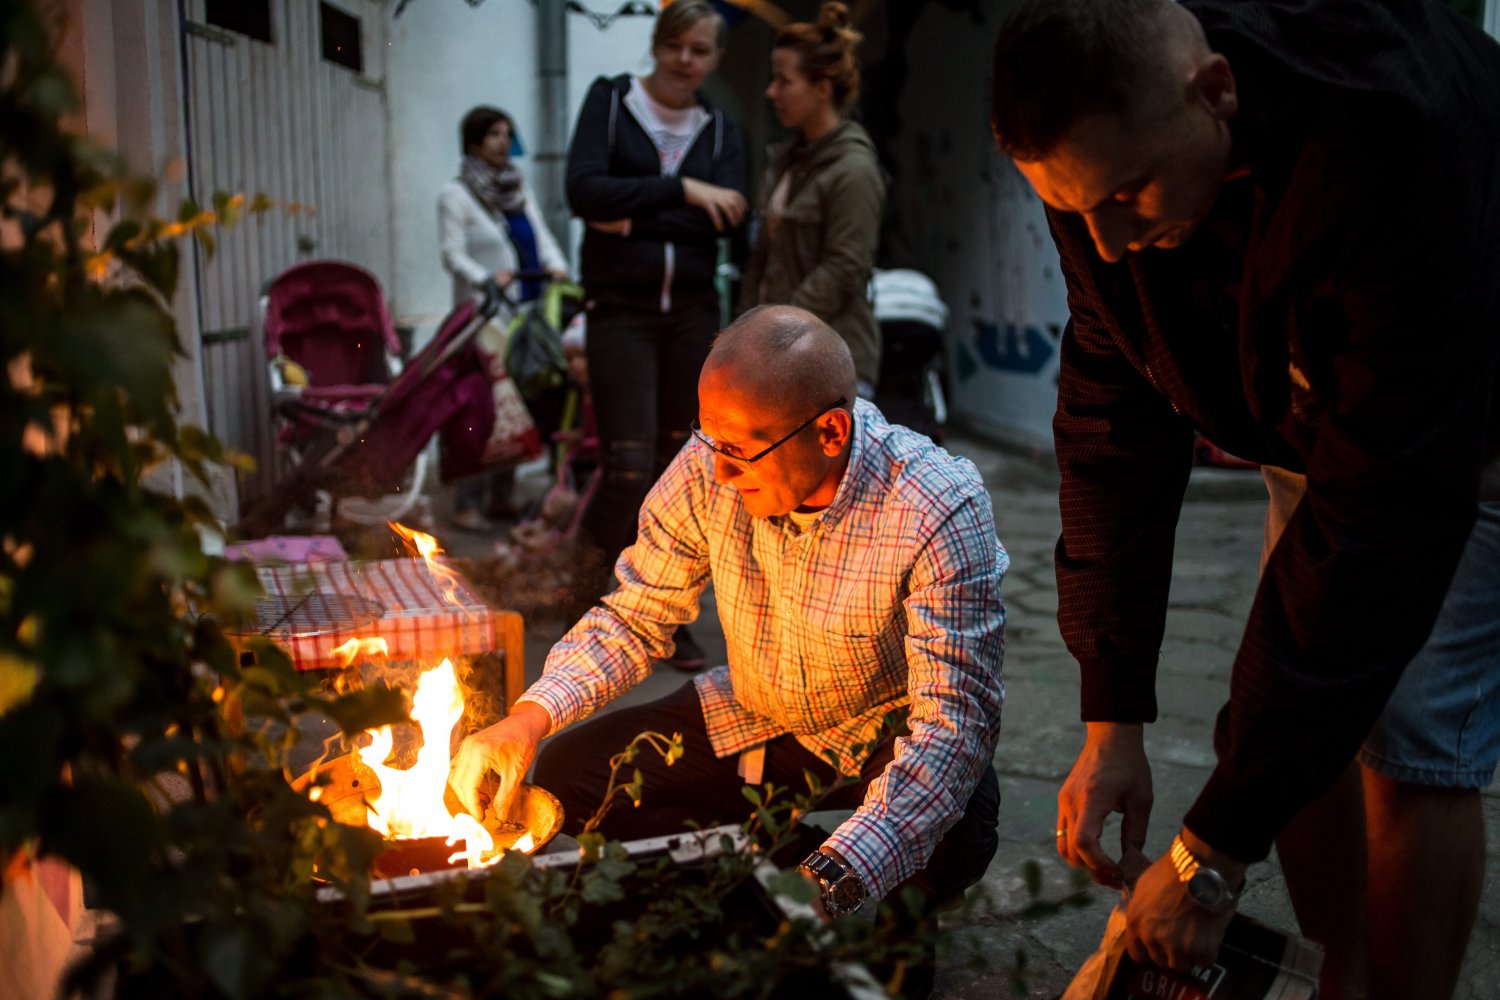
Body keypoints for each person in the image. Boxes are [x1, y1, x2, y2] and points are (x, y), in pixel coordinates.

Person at [988, 2, 1500, 997]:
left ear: (1215, 90)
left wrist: (1209, 859)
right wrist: (1111, 718)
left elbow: (1382, 525)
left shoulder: (1403, 134)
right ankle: (1340, 972)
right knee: (1280, 683)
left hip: (1465, 420)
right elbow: (1111, 427)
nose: (1108, 241)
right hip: (1314, 413)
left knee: (1409, 722)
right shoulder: (1106, 169)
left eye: (1128, 195)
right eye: (1074, 207)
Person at [450, 306, 1007, 991]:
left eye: (738, 453)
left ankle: (830, 902)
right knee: (567, 773)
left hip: (886, 741)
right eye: (705, 439)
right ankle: (748, 874)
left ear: (830, 431)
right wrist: (525, 719)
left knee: (939, 842)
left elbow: (952, 732)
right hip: (761, 715)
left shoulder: (935, 507)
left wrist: (833, 879)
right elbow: (636, 614)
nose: (715, 472)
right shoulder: (710, 460)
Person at [564, 0, 748, 668]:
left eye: (700, 51)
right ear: (657, 44)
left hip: (692, 317)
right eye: (676, 46)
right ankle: (583, 598)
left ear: (715, 59)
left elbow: (732, 222)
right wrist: (684, 193)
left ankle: (667, 617)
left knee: (684, 474)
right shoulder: (612, 103)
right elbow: (584, 191)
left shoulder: (723, 129)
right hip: (621, 312)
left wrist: (634, 212)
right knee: (628, 468)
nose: (685, 61)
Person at [739, 1, 885, 400]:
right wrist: (743, 337)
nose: (772, 92)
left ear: (821, 88)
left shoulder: (853, 168)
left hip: (831, 364)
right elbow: (760, 259)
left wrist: (775, 333)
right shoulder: (786, 161)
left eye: (784, 81)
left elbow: (843, 267)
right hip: (776, 358)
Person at [439, 105, 570, 530]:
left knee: (520, 404)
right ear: (474, 141)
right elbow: (452, 254)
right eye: (494, 134)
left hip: (525, 315)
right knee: (483, 408)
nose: (502, 142)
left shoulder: (518, 189)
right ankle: (467, 500)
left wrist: (557, 265)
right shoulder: (455, 195)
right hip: (485, 317)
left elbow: (540, 235)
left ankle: (501, 496)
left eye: (507, 134)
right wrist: (485, 277)